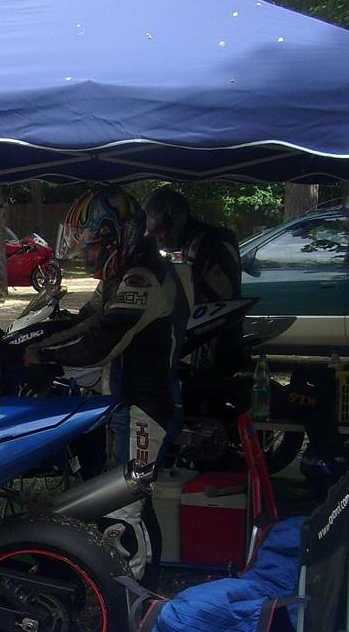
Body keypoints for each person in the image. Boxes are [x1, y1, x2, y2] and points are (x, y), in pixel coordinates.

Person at [24, 187, 188, 469]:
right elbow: (85, 320)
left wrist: (43, 354)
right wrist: (31, 340)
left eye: (93, 246)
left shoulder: (142, 278)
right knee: (114, 483)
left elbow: (102, 342)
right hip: (124, 401)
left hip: (145, 406)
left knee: (132, 493)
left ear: (118, 238)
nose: (89, 255)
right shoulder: (120, 275)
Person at [142, 186, 246, 374]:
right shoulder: (197, 240)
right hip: (207, 327)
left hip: (216, 332)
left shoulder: (207, 242)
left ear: (178, 220)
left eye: (161, 230)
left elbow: (189, 290)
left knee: (206, 383)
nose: (160, 239)